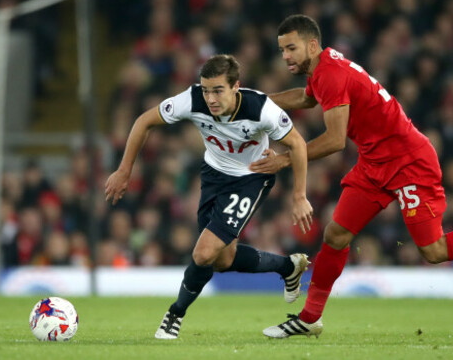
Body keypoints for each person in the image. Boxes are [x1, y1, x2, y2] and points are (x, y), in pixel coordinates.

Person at [249, 15, 453, 338]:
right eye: (282, 49)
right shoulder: (323, 68)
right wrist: (256, 101)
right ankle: (309, 318)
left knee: (434, 251)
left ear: (312, 45)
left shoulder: (330, 73)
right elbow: (306, 98)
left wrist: (285, 160)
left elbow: (335, 141)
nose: (285, 55)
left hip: (409, 162)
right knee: (336, 235)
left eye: (291, 48)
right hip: (375, 162)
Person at [105, 54, 314, 339]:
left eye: (218, 90)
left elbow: (298, 145)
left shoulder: (260, 108)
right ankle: (288, 266)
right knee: (222, 260)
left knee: (203, 252)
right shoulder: (192, 100)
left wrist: (299, 196)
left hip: (251, 179)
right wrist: (124, 170)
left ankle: (174, 314)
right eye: (206, 89)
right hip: (213, 176)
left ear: (235, 87)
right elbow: (144, 121)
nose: (211, 98)